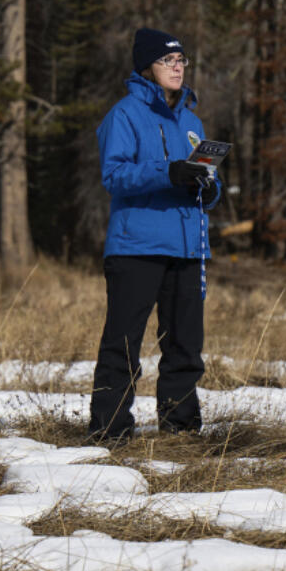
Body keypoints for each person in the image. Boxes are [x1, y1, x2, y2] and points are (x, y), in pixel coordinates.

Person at [89, 28, 221, 444]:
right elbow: (114, 175)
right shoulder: (125, 115)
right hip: (137, 246)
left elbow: (203, 183)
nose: (178, 67)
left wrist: (208, 185)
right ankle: (110, 431)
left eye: (182, 60)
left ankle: (181, 429)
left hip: (186, 246)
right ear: (147, 67)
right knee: (123, 343)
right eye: (169, 61)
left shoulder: (192, 121)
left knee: (185, 346)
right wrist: (168, 172)